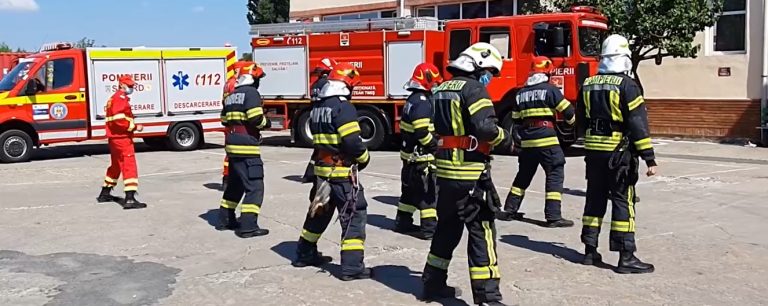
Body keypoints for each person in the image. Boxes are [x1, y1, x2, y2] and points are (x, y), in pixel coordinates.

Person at [422, 43, 511, 306]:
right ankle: (487, 297)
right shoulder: (474, 89)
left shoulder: (441, 89)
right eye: (491, 72)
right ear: (478, 65)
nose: (490, 78)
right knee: (482, 229)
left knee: (447, 228)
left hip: (446, 172)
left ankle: (432, 284)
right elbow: (485, 128)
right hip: (470, 172)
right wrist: (504, 137)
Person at [577, 34, 658, 274]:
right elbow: (637, 123)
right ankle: (626, 256)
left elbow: (580, 120)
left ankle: (590, 251)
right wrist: (649, 157)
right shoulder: (628, 85)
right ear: (624, 58)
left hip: (593, 151)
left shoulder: (588, 83)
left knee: (594, 198)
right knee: (623, 201)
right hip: (618, 153)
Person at [293, 62, 373, 281]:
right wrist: (365, 158)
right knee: (354, 217)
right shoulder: (343, 106)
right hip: (341, 174)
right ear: (346, 84)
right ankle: (352, 267)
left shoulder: (319, 107)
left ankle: (304, 253)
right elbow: (352, 142)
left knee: (319, 214)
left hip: (322, 173)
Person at [497, 56, 575, 228]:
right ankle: (553, 216)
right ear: (546, 71)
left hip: (527, 142)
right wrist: (570, 126)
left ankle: (510, 209)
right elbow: (568, 111)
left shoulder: (520, 93)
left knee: (523, 175)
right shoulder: (550, 90)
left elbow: (516, 119)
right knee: (554, 174)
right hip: (547, 139)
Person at [218, 62, 271, 238]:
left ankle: (226, 219)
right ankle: (248, 226)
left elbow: (224, 120)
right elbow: (256, 118)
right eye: (258, 79)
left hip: (232, 145)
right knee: (255, 186)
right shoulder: (251, 93)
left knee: (235, 184)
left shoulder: (231, 95)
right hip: (247, 145)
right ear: (252, 78)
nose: (258, 83)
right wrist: (267, 123)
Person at [395, 63, 442, 240]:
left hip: (410, 158)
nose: (436, 85)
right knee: (428, 195)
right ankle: (429, 229)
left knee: (409, 193)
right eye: (435, 82)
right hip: (423, 158)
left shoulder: (412, 100)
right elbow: (422, 132)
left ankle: (403, 222)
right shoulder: (422, 102)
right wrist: (435, 147)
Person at [97, 75, 146, 209]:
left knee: (116, 166)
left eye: (132, 86)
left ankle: (105, 193)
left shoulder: (114, 99)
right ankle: (130, 198)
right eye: (129, 86)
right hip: (122, 138)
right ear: (121, 85)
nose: (132, 88)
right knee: (129, 165)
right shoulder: (120, 99)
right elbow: (119, 120)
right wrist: (135, 127)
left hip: (115, 138)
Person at [302, 57, 338, 185]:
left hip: (315, 118)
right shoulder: (327, 84)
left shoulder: (315, 85)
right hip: (326, 119)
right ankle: (314, 174)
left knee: (318, 148)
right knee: (326, 149)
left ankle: (310, 174)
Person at [221, 60, 254, 192]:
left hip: (229, 121)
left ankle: (226, 178)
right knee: (238, 154)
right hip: (238, 124)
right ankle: (234, 179)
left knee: (229, 152)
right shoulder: (236, 84)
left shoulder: (227, 83)